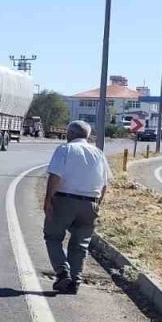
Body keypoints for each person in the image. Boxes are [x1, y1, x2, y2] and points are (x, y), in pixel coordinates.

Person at [44, 120, 112, 294]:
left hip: (65, 200)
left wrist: (48, 200)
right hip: (90, 203)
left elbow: (55, 177)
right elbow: (104, 184)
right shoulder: (98, 153)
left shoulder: (65, 149)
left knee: (53, 237)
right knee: (80, 244)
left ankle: (62, 272)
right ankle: (75, 281)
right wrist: (97, 205)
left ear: (70, 134)